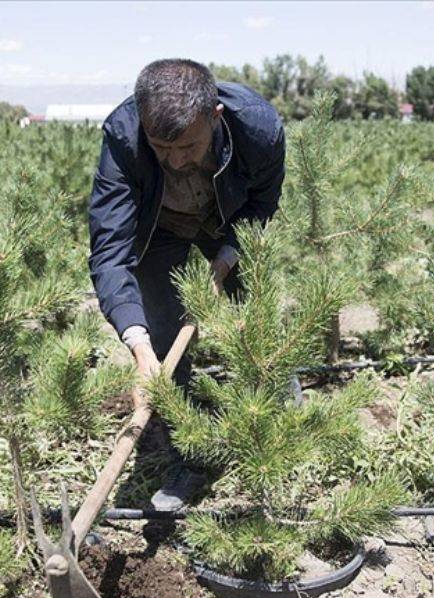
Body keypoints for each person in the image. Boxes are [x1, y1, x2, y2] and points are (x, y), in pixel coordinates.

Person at [87, 58, 286, 510]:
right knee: (160, 335)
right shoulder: (123, 137)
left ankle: (271, 412)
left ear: (214, 117)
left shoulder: (258, 129)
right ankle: (189, 454)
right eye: (162, 148)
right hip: (159, 230)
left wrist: (231, 252)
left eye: (189, 147)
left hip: (227, 217)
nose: (176, 160)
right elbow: (109, 250)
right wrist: (139, 350)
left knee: (253, 317)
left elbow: (263, 201)